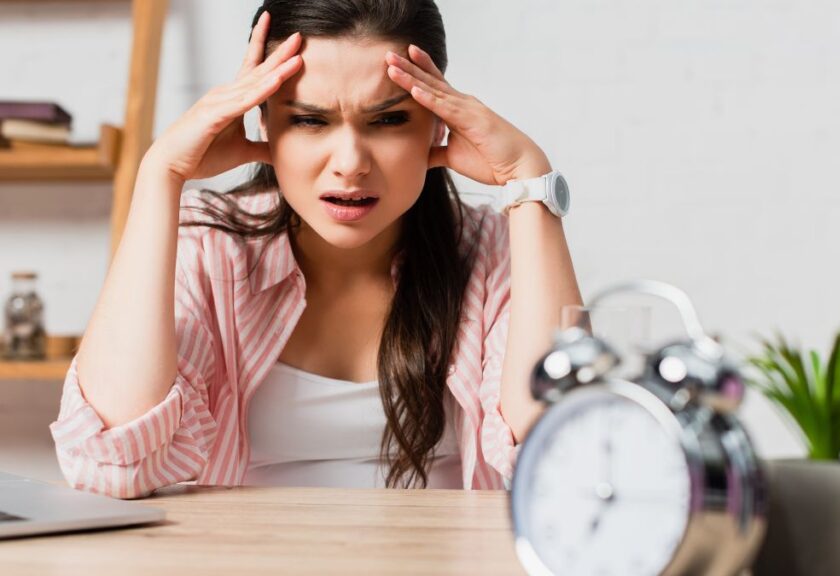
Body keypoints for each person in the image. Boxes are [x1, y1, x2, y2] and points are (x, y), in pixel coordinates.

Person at [49, 0, 581, 498]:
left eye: (389, 119)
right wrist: (160, 174)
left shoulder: (488, 249)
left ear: (439, 121)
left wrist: (527, 180)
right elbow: (109, 461)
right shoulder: (213, 246)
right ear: (264, 121)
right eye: (309, 120)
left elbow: (561, 459)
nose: (350, 162)